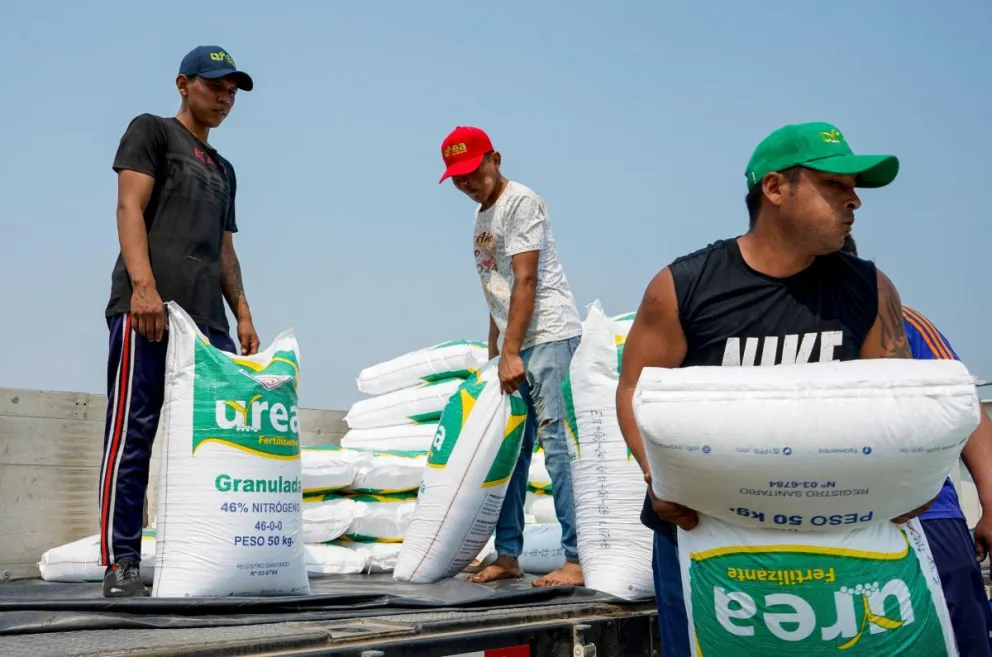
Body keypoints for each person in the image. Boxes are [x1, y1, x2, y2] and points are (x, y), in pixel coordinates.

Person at [615, 121, 931, 655]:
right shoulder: (684, 286)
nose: (854, 200)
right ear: (776, 188)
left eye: (855, 187)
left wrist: (903, 483)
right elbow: (634, 390)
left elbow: (895, 403)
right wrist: (656, 478)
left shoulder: (870, 287)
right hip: (704, 537)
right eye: (834, 185)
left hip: (831, 539)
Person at [99, 45, 259, 597]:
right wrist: (144, 288)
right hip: (149, 312)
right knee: (133, 432)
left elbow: (225, 251)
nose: (224, 97)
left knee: (211, 444)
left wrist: (242, 314)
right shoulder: (153, 133)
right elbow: (128, 208)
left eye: (232, 91)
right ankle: (121, 562)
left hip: (208, 325)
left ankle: (205, 558)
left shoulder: (225, 170)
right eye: (215, 85)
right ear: (183, 84)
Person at [438, 125, 584, 587]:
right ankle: (508, 555)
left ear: (494, 158)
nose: (467, 182)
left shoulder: (522, 202)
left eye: (472, 170)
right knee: (511, 454)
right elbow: (497, 289)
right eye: (457, 176)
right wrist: (495, 347)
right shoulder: (482, 217)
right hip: (516, 342)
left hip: (549, 336)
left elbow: (526, 281)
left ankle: (578, 558)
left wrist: (512, 349)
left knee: (557, 447)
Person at [842, 235, 992, 655]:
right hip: (825, 521)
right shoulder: (772, 330)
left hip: (926, 515)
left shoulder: (904, 323)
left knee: (959, 634)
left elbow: (966, 410)